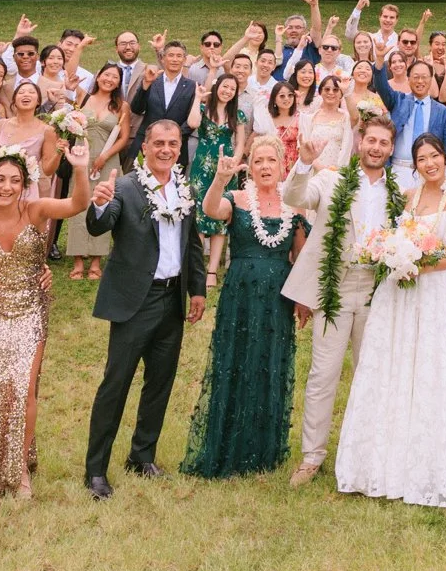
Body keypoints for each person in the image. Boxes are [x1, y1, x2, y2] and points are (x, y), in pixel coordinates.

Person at [334, 137, 446, 506]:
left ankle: (434, 460)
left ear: (445, 158)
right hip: (401, 292)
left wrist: (416, 266)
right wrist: (395, 256)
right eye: (421, 159)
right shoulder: (407, 196)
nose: (428, 164)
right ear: (415, 164)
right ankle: (388, 459)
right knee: (397, 367)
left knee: (433, 369)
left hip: (437, 291)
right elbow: (398, 238)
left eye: (434, 157)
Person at [82, 119, 209, 499]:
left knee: (160, 382)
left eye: (173, 143)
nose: (166, 149)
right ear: (145, 146)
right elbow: (98, 227)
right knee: (115, 385)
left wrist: (197, 290)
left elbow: (193, 244)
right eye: (159, 143)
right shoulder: (124, 186)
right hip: (135, 300)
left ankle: (142, 455)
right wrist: (99, 206)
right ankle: (96, 471)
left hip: (173, 298)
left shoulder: (184, 189)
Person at [281, 116, 409, 486]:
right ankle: (312, 456)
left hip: (375, 289)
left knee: (371, 375)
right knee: (323, 375)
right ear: (359, 142)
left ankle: (368, 453)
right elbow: (294, 197)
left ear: (390, 148)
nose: (376, 148)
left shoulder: (397, 193)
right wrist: (304, 163)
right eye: (371, 140)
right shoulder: (331, 179)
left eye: (384, 143)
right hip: (333, 286)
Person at [0, 143, 90, 500]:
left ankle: (17, 468)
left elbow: (77, 204)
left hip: (30, 312)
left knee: (22, 388)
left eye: (14, 180)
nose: (6, 187)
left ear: (24, 184)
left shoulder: (35, 211)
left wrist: (80, 168)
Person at [180, 139, 309, 479]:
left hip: (277, 298)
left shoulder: (294, 206)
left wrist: (303, 298)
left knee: (269, 363)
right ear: (250, 168)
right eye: (258, 161)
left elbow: (302, 257)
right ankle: (229, 446)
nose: (265, 167)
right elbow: (209, 211)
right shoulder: (236, 201)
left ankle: (263, 449)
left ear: (282, 165)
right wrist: (220, 179)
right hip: (241, 294)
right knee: (235, 362)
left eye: (271, 160)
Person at [187, 71, 251, 289]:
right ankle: (195, 268)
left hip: (225, 167)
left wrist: (234, 162)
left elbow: (241, 143)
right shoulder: (204, 110)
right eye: (225, 87)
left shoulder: (238, 115)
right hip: (202, 165)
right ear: (217, 87)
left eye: (232, 89)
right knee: (198, 215)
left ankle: (212, 271)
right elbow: (192, 123)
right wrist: (197, 98)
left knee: (220, 219)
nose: (227, 91)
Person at [68, 63, 131, 280]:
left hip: (108, 160)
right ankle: (77, 259)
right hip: (82, 158)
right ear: (98, 75)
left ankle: (96, 261)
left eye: (115, 77)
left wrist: (105, 156)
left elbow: (124, 138)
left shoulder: (122, 106)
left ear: (119, 82)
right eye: (106, 75)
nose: (109, 79)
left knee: (102, 206)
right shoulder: (82, 98)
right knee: (79, 204)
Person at [124, 36, 196, 166]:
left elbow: (191, 121)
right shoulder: (152, 79)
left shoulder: (192, 86)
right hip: (145, 145)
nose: (175, 59)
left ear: (184, 60)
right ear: (163, 58)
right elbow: (136, 109)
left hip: (174, 151)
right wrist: (145, 85)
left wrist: (172, 136)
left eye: (179, 56)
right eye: (171, 55)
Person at [0, 81, 61, 199]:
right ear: (14, 100)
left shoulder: (47, 131)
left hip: (27, 191)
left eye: (31, 92)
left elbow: (48, 170)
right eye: (21, 92)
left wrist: (59, 153)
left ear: (38, 101)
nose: (26, 95)